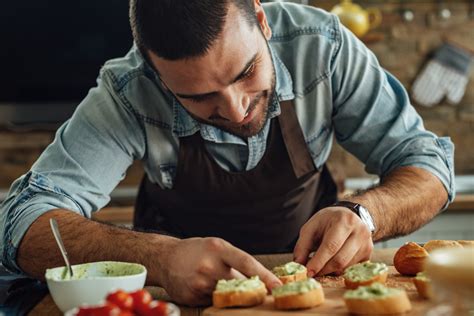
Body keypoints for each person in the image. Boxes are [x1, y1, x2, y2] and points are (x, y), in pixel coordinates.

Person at [0, 0, 454, 306]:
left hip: (314, 278)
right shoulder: (127, 89)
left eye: (246, 71)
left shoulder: (323, 48)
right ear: (153, 70)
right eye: (199, 97)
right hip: (176, 293)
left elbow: (429, 166)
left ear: (259, 18)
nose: (236, 110)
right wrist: (157, 259)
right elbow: (20, 220)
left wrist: (366, 213)